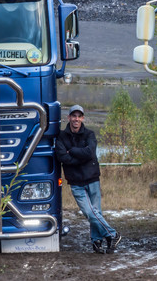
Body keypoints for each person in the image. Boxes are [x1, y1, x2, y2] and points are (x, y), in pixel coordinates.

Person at [55, 104, 121, 254]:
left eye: (79, 116)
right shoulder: (61, 136)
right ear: (69, 117)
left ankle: (97, 242)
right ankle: (112, 234)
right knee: (90, 213)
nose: (76, 119)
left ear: (82, 118)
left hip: (92, 179)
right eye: (73, 116)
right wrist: (80, 156)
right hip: (76, 183)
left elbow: (90, 152)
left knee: (96, 212)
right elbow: (62, 157)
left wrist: (71, 151)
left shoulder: (90, 134)